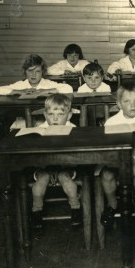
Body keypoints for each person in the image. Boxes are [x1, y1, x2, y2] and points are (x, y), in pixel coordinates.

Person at [100, 81, 135, 227]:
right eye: (126, 101)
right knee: (106, 175)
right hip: (116, 160)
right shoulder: (112, 122)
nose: (132, 105)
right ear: (119, 104)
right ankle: (112, 204)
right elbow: (106, 146)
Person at [30, 94, 81, 228]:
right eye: (51, 114)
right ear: (45, 115)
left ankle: (75, 208)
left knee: (66, 180)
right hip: (44, 167)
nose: (55, 118)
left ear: (69, 116)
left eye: (60, 114)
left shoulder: (74, 129)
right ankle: (36, 212)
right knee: (40, 182)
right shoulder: (39, 129)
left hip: (66, 166)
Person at [0, 54, 73, 95]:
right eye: (30, 71)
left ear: (42, 72)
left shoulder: (47, 83)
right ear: (25, 71)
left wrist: (45, 91)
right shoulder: (21, 85)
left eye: (37, 71)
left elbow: (68, 88)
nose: (33, 75)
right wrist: (20, 91)